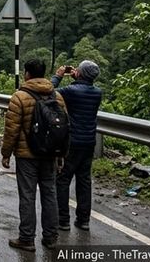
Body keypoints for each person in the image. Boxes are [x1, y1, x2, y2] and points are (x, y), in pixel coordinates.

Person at [1, 59, 67, 252]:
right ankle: (51, 237)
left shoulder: (19, 97)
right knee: (50, 193)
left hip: (26, 155)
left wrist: (6, 153)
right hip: (50, 154)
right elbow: (63, 129)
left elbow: (11, 129)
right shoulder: (58, 96)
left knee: (28, 195)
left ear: (27, 74)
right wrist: (61, 155)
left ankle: (27, 238)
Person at [53, 60, 103, 232]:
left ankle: (63, 220)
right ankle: (83, 220)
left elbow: (48, 92)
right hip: (89, 142)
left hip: (72, 142)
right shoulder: (97, 92)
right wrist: (78, 76)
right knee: (84, 180)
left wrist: (59, 76)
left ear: (80, 73)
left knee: (63, 179)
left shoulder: (71, 91)